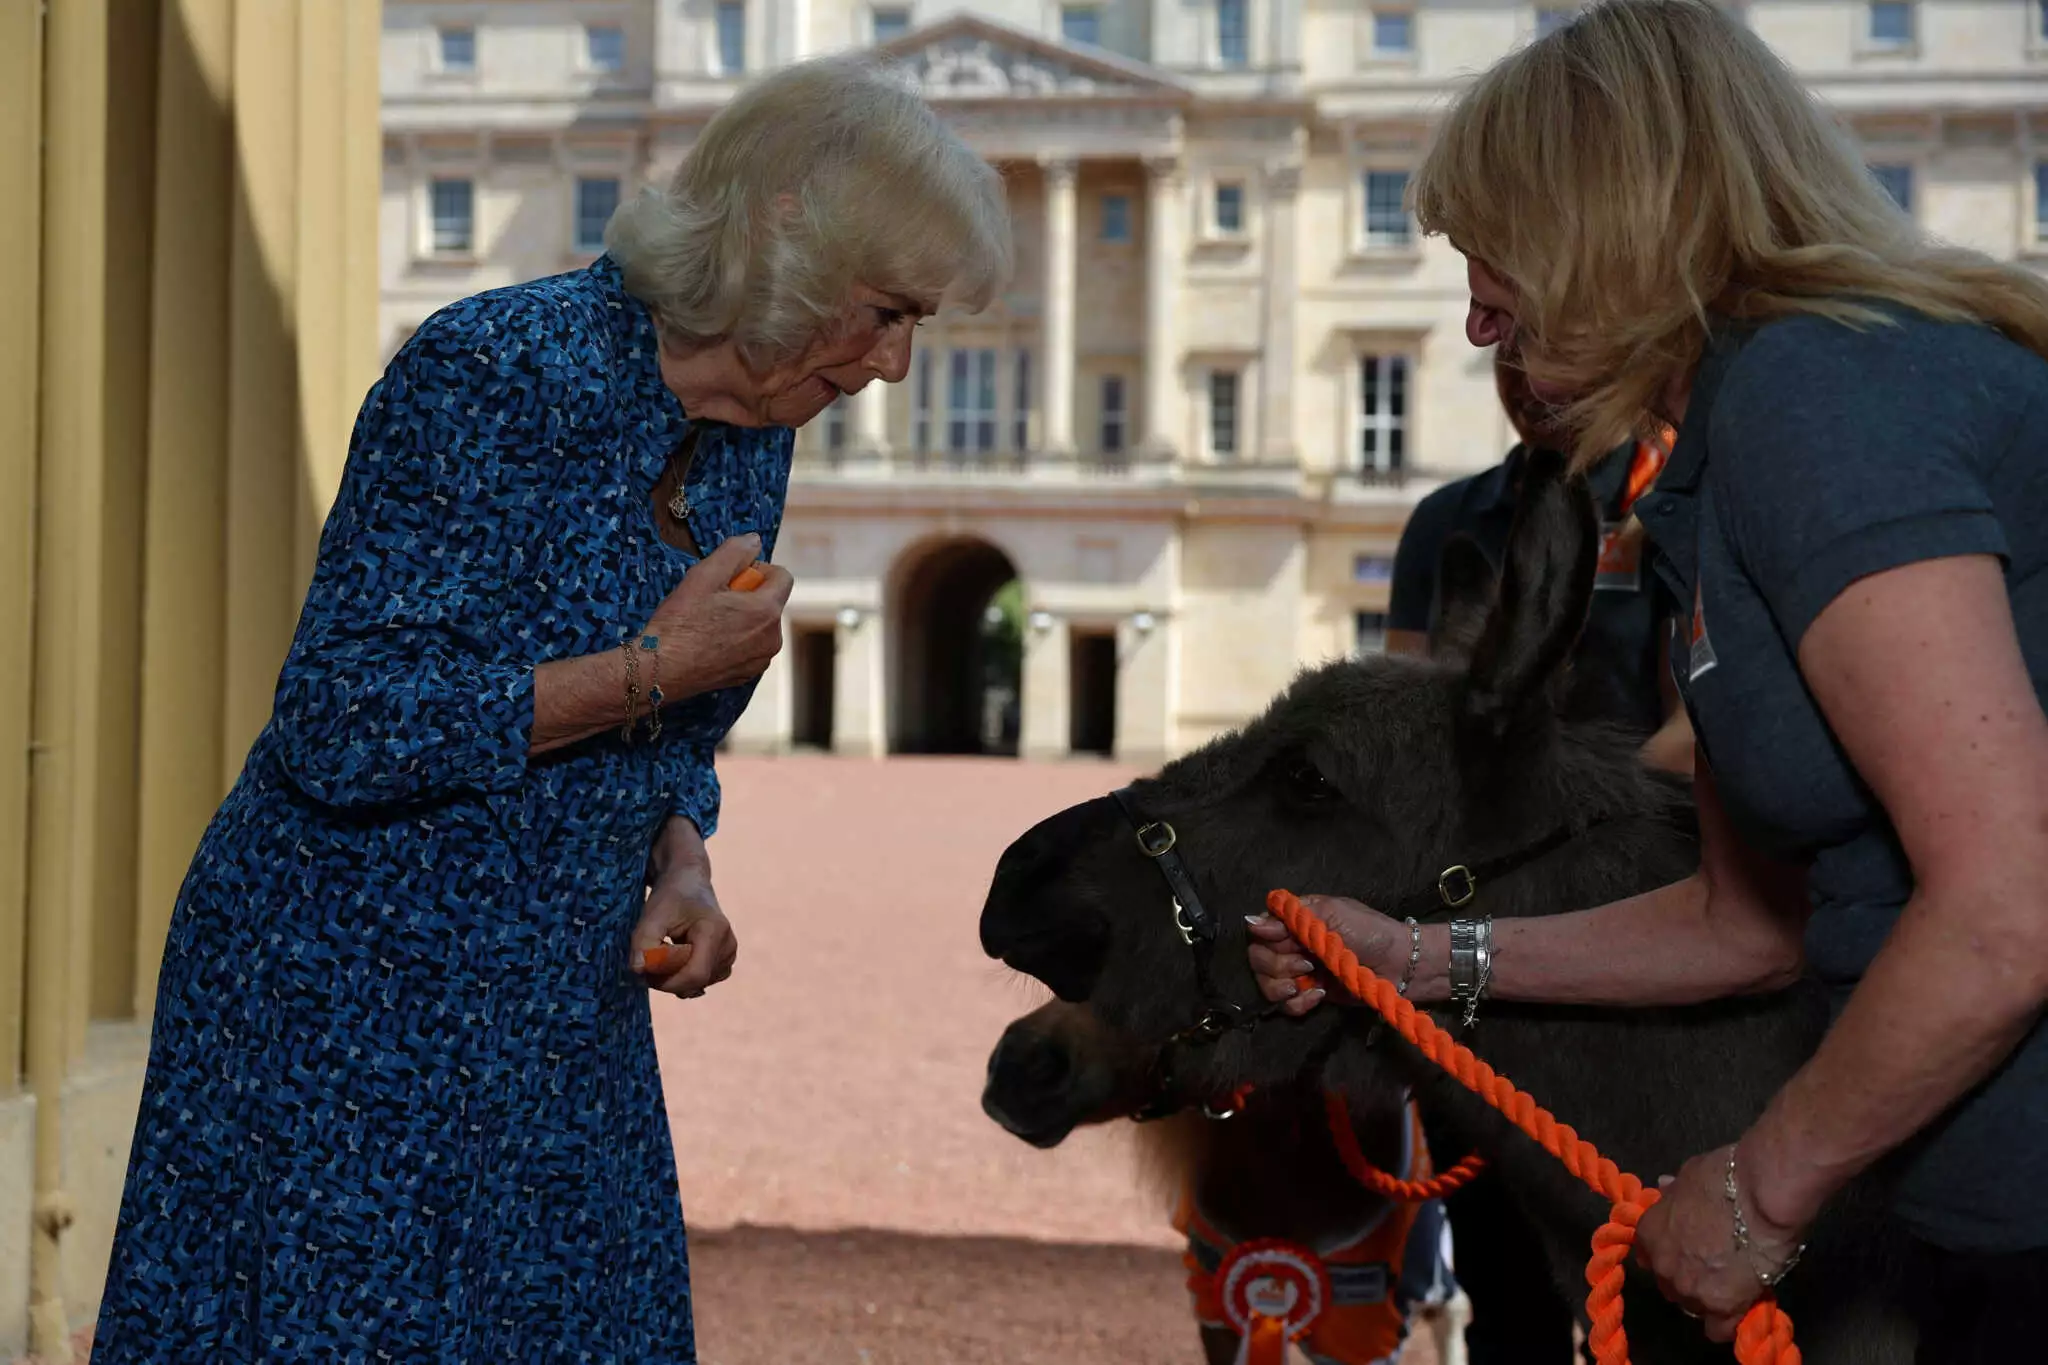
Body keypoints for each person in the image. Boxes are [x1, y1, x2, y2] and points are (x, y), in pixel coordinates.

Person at [92, 55, 1010, 1362]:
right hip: (348, 1003)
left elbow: (678, 739)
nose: (897, 365)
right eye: (883, 312)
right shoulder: (498, 370)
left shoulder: (759, 427)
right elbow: (342, 721)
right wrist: (653, 662)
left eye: (918, 325)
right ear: (781, 246)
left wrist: (683, 858)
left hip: (557, 1006)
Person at [1247, 1, 2048, 1360]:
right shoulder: (1719, 456)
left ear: (1613, 221)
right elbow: (1750, 921)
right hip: (1962, 1205)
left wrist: (1760, 1185)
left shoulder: (1818, 398)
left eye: (1494, 252)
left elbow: (2007, 908)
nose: (1472, 316)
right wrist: (1424, 959)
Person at [1384, 352, 1691, 1364]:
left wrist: (1557, 853)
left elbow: (1705, 730)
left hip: (1646, 931)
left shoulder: (1689, 506)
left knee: (1652, 1293)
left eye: (1540, 338)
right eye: (1500, 346)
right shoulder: (1446, 523)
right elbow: (1410, 729)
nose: (1514, 368)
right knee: (1503, 1286)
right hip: (1482, 955)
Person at [1388, 354, 1692, 776]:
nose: (1528, 380)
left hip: (1624, 824)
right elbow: (1404, 712)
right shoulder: (1441, 518)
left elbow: (1690, 733)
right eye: (1509, 355)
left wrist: (1573, 816)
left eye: (1554, 352)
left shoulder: (1672, 511)